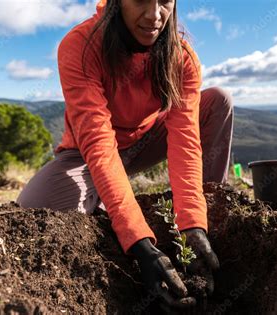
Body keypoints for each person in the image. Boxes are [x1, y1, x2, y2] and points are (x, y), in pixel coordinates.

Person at [17, 0, 233, 310]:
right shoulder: (80, 45)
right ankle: (104, 203)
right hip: (87, 154)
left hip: (145, 142)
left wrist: (193, 225)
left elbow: (185, 143)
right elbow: (98, 142)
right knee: (35, 212)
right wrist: (140, 243)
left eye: (165, 2)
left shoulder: (181, 57)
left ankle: (214, 225)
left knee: (218, 101)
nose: (155, 15)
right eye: (141, 0)